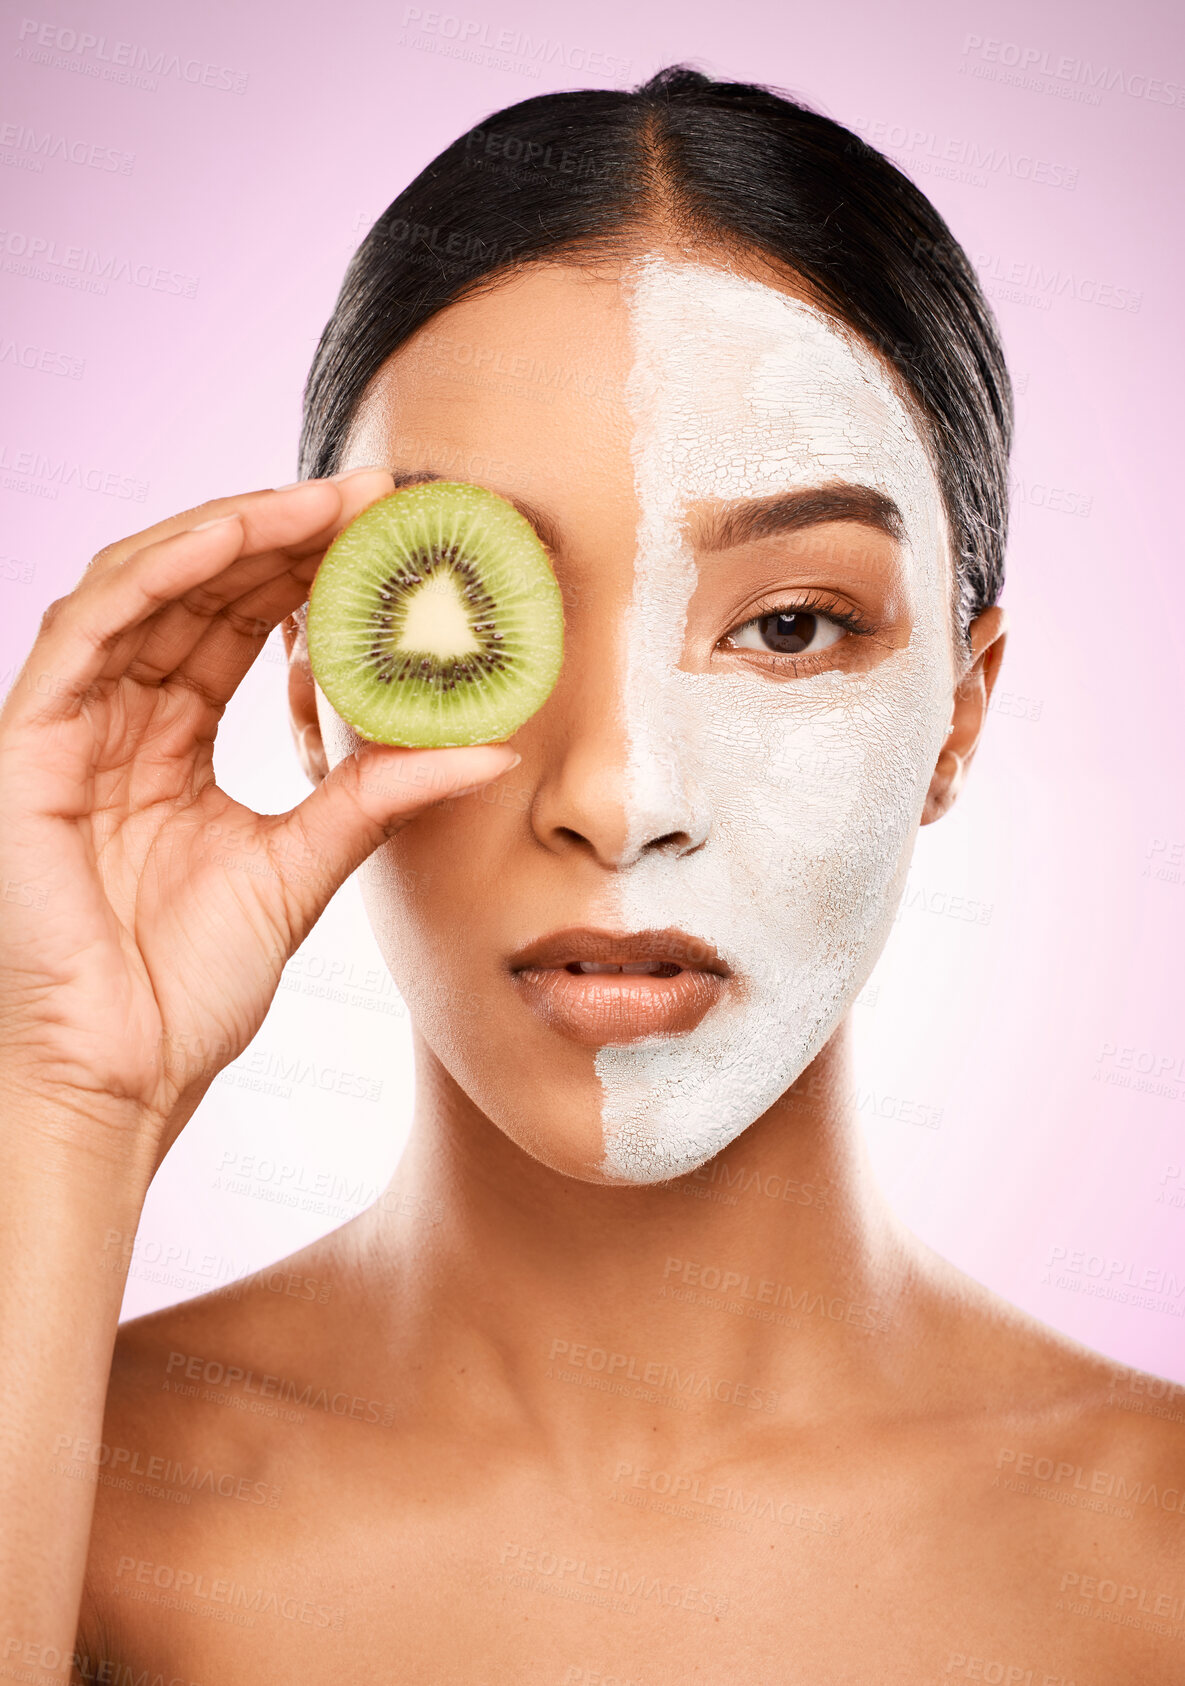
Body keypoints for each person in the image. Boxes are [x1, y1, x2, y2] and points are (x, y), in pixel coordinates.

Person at [1, 66, 1179, 1686]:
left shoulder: (1156, 1554)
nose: (621, 797)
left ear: (957, 719)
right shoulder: (68, 1509)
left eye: (787, 623)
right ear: (317, 684)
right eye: (485, 608)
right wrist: (60, 1097)